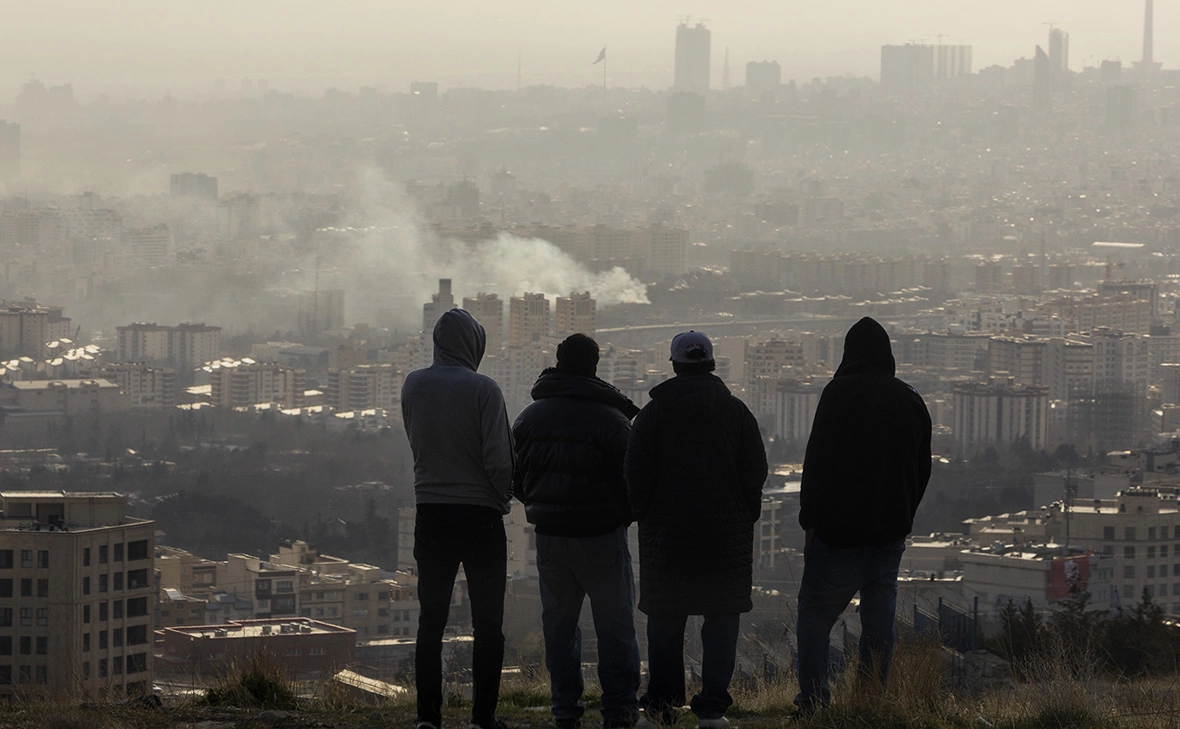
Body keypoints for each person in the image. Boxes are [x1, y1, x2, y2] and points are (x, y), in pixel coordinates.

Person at [625, 331, 768, 729]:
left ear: (674, 364)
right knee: (721, 620)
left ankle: (661, 708)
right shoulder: (736, 412)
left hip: (667, 539)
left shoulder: (653, 415)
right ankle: (712, 711)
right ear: (711, 362)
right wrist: (744, 516)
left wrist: (645, 515)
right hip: (725, 540)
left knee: (665, 621)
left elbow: (635, 473)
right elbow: (756, 471)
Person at [794, 316, 932, 714]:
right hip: (889, 536)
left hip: (838, 534)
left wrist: (810, 524)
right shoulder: (910, 399)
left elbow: (817, 462)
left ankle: (814, 702)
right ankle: (871, 701)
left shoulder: (838, 393)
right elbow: (921, 469)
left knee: (815, 617)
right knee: (879, 625)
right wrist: (903, 516)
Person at [512, 333, 642, 729]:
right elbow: (634, 482)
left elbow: (515, 478)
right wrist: (623, 515)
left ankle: (565, 709)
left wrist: (542, 506)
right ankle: (619, 710)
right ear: (595, 366)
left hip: (550, 537)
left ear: (558, 361)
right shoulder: (613, 420)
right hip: (601, 535)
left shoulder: (528, 418)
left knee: (559, 625)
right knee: (615, 625)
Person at [401, 308, 514, 729]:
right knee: (488, 623)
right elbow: (499, 459)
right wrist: (502, 497)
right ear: (473, 345)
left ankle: (428, 718)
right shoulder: (485, 389)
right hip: (481, 516)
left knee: (431, 621)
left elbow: (416, 439)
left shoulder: (414, 384)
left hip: (430, 512)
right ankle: (483, 718)